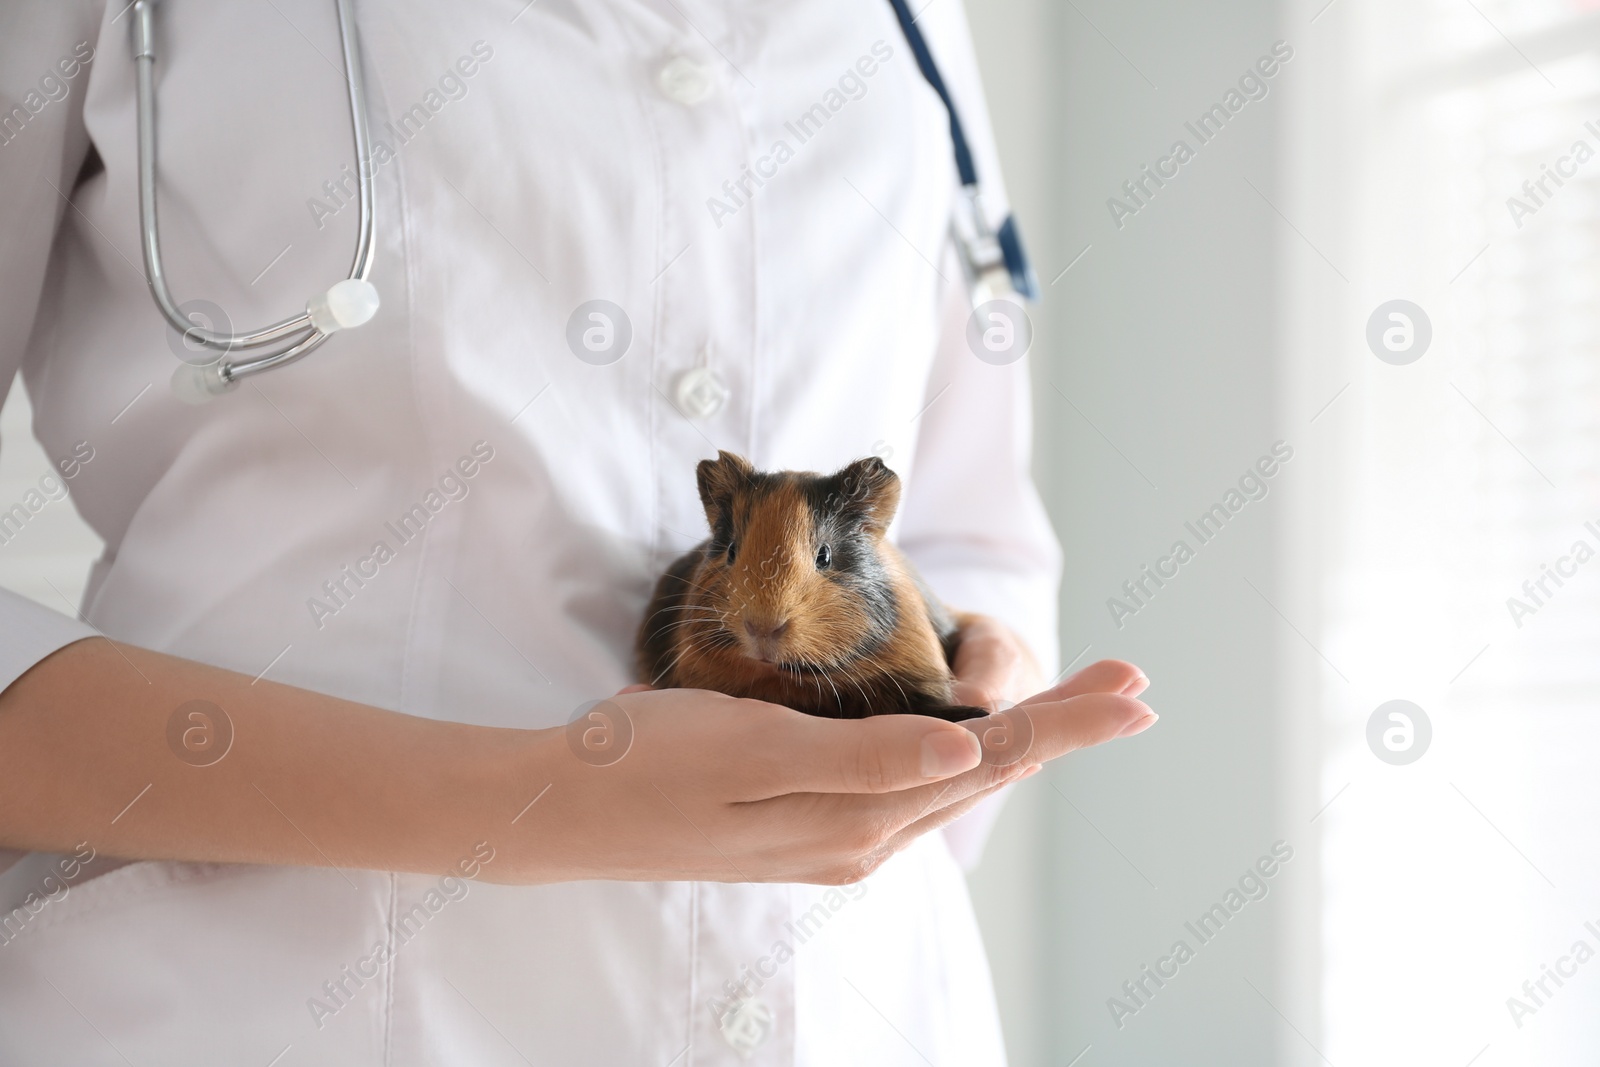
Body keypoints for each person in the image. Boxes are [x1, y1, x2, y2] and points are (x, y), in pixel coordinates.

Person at [0, 2, 1154, 1062]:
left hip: (862, 1004)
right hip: (273, 1008)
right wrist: (517, 802)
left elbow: (966, 527)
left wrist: (969, 697)